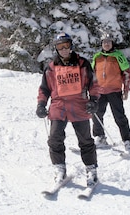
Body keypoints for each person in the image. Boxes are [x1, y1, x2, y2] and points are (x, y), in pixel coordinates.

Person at [36, 32, 100, 187]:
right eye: (60, 46)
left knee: (85, 140)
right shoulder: (51, 68)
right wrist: (41, 104)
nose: (64, 49)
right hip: (59, 106)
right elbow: (44, 88)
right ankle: (59, 168)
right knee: (54, 139)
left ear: (71, 46)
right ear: (56, 49)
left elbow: (94, 83)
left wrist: (94, 100)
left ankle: (91, 169)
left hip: (79, 105)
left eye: (66, 46)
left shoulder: (83, 64)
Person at [91, 32, 130, 152]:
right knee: (96, 115)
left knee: (119, 117)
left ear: (112, 43)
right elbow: (92, 74)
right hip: (100, 91)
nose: (107, 44)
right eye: (104, 42)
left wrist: (126, 90)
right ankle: (100, 137)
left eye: (109, 42)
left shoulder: (118, 56)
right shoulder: (97, 57)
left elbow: (127, 74)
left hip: (114, 91)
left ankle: (127, 140)